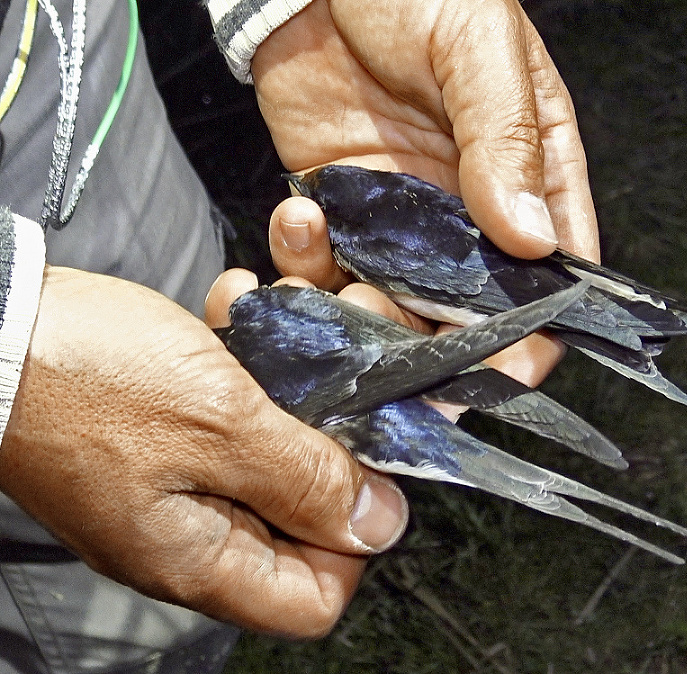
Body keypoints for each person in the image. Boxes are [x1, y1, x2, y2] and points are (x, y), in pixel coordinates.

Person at [0, 0, 600, 671]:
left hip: (69, 55)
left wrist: (286, 14)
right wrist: (12, 346)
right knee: (103, 583)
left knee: (206, 326)